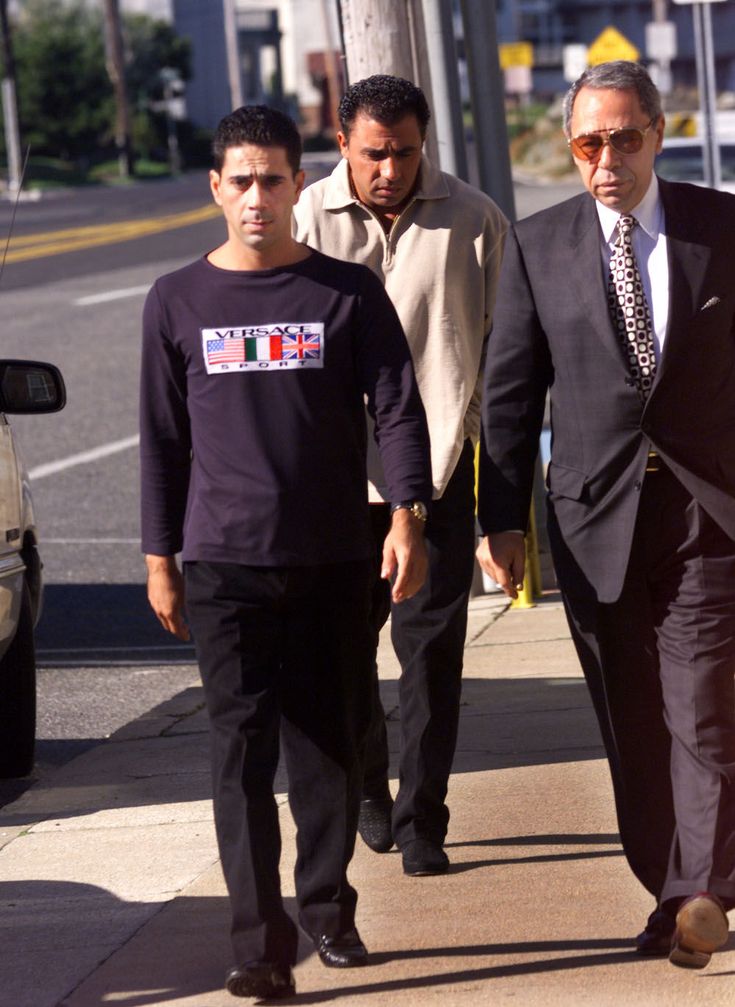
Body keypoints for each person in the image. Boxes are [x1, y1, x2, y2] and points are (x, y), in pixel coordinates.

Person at [140, 104, 432, 1001]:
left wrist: (407, 516)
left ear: (299, 183)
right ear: (215, 190)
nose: (257, 196)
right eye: (241, 181)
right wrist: (161, 559)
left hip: (333, 558)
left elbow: (396, 407)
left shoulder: (345, 293)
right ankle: (259, 943)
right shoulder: (176, 300)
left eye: (273, 178)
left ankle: (329, 910)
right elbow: (162, 439)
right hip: (224, 565)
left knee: (328, 751)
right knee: (239, 755)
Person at [476, 59, 735, 970]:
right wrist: (498, 520)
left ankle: (704, 891)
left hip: (705, 510)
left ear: (658, 133)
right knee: (631, 722)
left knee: (702, 710)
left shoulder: (719, 227)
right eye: (588, 142)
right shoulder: (537, 246)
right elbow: (508, 396)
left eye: (624, 138)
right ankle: (668, 891)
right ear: (570, 146)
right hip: (592, 523)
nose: (605, 158)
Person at [294, 74, 507, 877]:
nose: (390, 170)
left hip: (440, 475)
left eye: (406, 153)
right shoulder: (303, 220)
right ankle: (369, 790)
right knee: (343, 655)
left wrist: (497, 504)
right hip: (333, 485)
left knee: (430, 659)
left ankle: (423, 816)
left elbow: (496, 360)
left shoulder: (474, 219)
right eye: (374, 154)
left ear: (427, 146)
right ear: (342, 143)